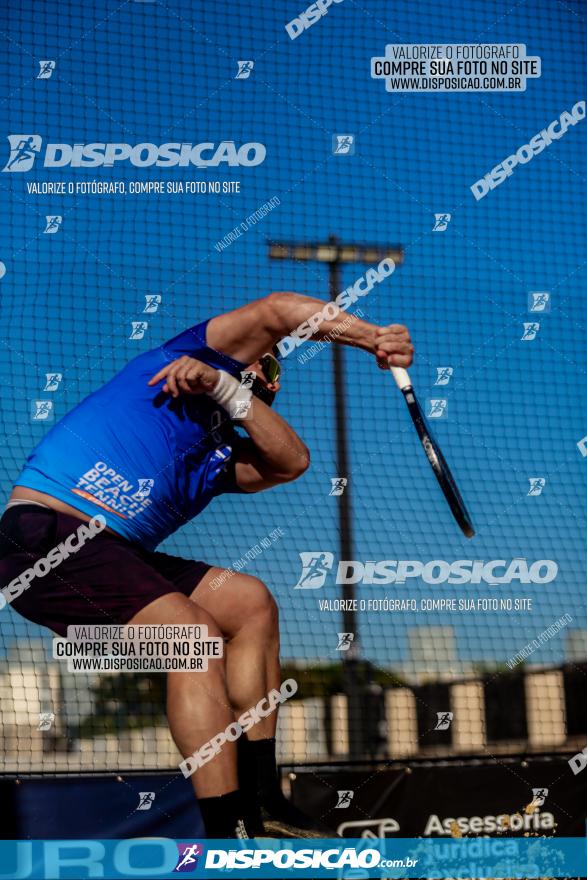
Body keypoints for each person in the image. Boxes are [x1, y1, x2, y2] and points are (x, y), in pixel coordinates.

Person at [0, 292, 413, 837]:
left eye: (266, 377)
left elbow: (293, 462)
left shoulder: (217, 462)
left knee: (248, 602)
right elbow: (280, 311)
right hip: (43, 536)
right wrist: (371, 337)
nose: (261, 371)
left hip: (113, 558)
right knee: (192, 638)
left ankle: (263, 798)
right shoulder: (170, 363)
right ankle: (227, 830)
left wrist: (228, 392)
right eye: (255, 363)